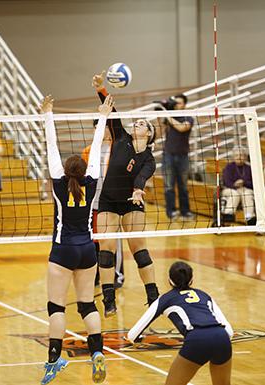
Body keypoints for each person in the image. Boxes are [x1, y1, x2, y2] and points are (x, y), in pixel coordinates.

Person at [39, 94, 113, 385]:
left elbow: (51, 146)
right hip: (87, 249)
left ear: (66, 173)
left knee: (56, 307)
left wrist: (48, 114)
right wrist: (103, 115)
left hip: (62, 250)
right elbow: (95, 150)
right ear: (82, 172)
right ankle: (96, 353)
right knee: (87, 306)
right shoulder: (92, 182)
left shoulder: (58, 184)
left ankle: (53, 362)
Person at [92, 71, 159, 317]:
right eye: (138, 122)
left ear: (149, 134)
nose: (137, 124)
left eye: (143, 124)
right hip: (108, 199)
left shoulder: (149, 158)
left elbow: (142, 176)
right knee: (106, 247)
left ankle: (153, 296)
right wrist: (101, 89)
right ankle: (109, 300)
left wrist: (139, 191)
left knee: (138, 248)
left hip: (131, 202)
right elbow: (111, 109)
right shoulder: (121, 137)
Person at [128, 261, 233, 385]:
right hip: (221, 338)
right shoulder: (204, 295)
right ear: (191, 280)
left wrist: (143, 340)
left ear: (169, 280)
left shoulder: (165, 299)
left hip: (197, 339)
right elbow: (229, 332)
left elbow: (132, 335)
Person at [81, 125, 124, 288]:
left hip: (113, 203)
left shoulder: (118, 149)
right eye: (99, 127)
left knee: (113, 242)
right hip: (93, 202)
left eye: (106, 127)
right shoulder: (88, 151)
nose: (103, 130)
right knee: (93, 240)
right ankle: (95, 275)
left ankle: (117, 275)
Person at [159, 94, 194, 221]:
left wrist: (166, 115)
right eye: (175, 103)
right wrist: (163, 116)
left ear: (184, 104)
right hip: (168, 155)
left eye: (179, 103)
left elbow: (182, 128)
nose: (177, 105)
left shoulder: (188, 118)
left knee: (183, 186)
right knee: (168, 186)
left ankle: (185, 212)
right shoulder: (168, 118)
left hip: (183, 156)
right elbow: (160, 132)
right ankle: (171, 212)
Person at [220, 147, 255, 225]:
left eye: (242, 155)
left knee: (247, 194)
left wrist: (244, 182)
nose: (239, 157)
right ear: (233, 157)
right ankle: (228, 216)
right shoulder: (229, 167)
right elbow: (226, 182)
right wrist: (235, 185)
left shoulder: (249, 168)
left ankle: (250, 218)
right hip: (229, 189)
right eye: (236, 155)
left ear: (245, 157)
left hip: (245, 189)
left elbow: (253, 184)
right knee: (235, 194)